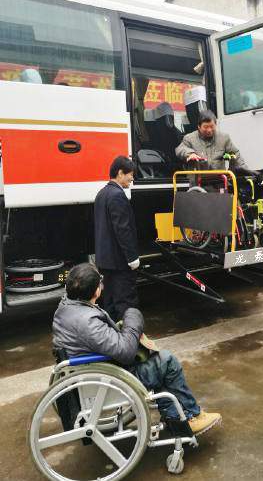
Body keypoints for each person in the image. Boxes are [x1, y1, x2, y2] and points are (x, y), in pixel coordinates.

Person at [52, 263, 222, 435]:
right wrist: (133, 318)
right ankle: (192, 415)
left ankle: (175, 417)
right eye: (100, 281)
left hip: (88, 373)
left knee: (157, 362)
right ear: (96, 291)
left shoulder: (65, 308)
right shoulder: (87, 322)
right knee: (167, 361)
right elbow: (126, 352)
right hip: (106, 379)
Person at [94, 156, 140, 321]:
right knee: (125, 303)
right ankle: (128, 333)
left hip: (105, 261)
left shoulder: (102, 193)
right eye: (130, 174)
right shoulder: (117, 195)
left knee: (109, 302)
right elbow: (123, 230)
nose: (132, 178)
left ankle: (112, 332)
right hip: (120, 262)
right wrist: (132, 258)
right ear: (120, 173)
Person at [175, 109, 253, 173]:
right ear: (199, 126)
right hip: (198, 182)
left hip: (219, 181)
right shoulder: (189, 138)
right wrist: (190, 154)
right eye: (206, 127)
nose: (209, 130)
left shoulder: (224, 138)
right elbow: (180, 149)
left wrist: (245, 170)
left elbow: (235, 154)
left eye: (212, 126)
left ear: (215, 124)